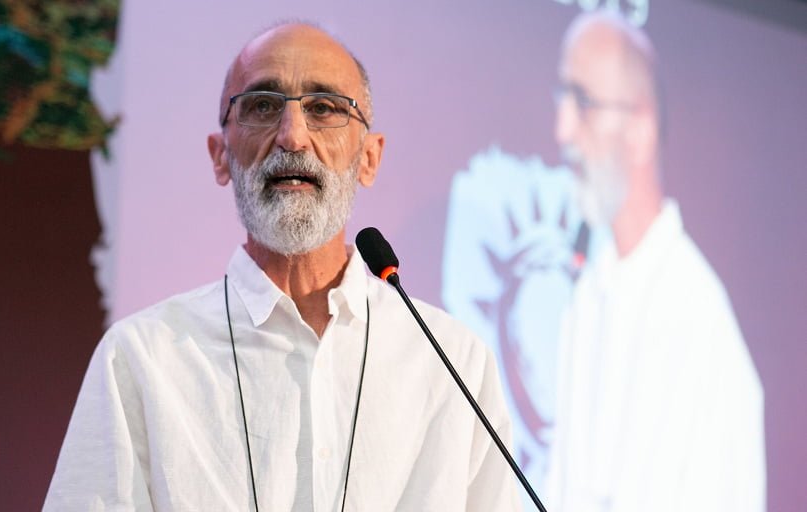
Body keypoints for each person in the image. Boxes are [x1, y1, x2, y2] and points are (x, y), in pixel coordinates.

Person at [44, 23, 521, 511]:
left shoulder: (454, 362)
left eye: (324, 108)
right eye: (262, 106)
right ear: (220, 156)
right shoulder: (140, 358)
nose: (292, 137)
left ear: (369, 158)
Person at [545, 10, 766, 512]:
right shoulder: (587, 295)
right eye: (562, 99)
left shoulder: (699, 324)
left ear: (641, 128)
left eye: (583, 102)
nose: (563, 130)